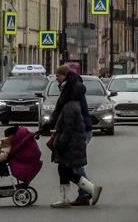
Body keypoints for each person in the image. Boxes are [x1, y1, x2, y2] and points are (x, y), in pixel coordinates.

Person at [40, 65, 98, 206]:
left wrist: (60, 142)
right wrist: (46, 127)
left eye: (58, 76)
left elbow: (69, 121)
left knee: (74, 165)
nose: (57, 79)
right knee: (69, 166)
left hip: (76, 133)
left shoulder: (72, 100)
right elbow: (58, 113)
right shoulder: (72, 95)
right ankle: (87, 191)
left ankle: (87, 192)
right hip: (75, 133)